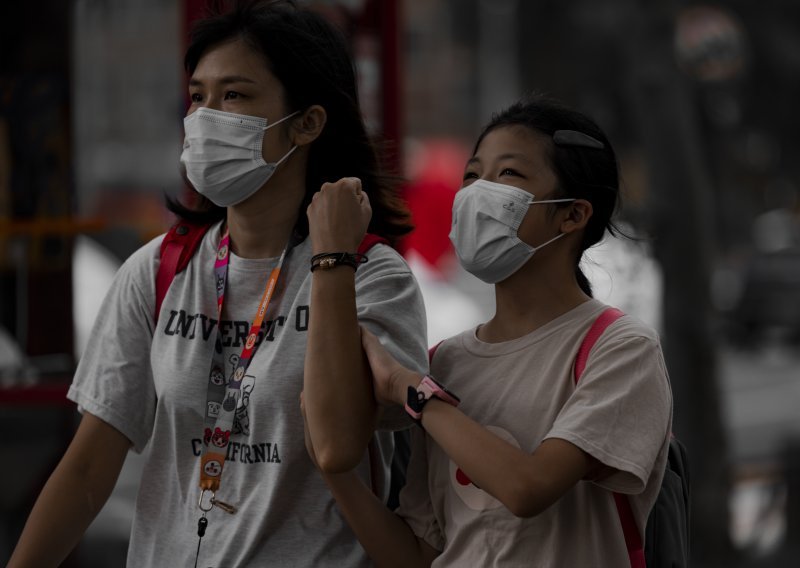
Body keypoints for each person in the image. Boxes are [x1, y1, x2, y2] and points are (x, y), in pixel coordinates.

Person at [8, 1, 427, 567]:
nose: (206, 117)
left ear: (307, 122)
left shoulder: (373, 277)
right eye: (199, 97)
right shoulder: (159, 270)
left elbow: (340, 443)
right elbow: (86, 472)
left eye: (234, 96)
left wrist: (331, 258)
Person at [303, 96, 673, 566]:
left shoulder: (619, 348)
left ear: (573, 214)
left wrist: (409, 389)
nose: (478, 193)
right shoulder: (445, 362)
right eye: (472, 175)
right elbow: (417, 555)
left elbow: (528, 488)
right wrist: (334, 470)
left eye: (509, 175)